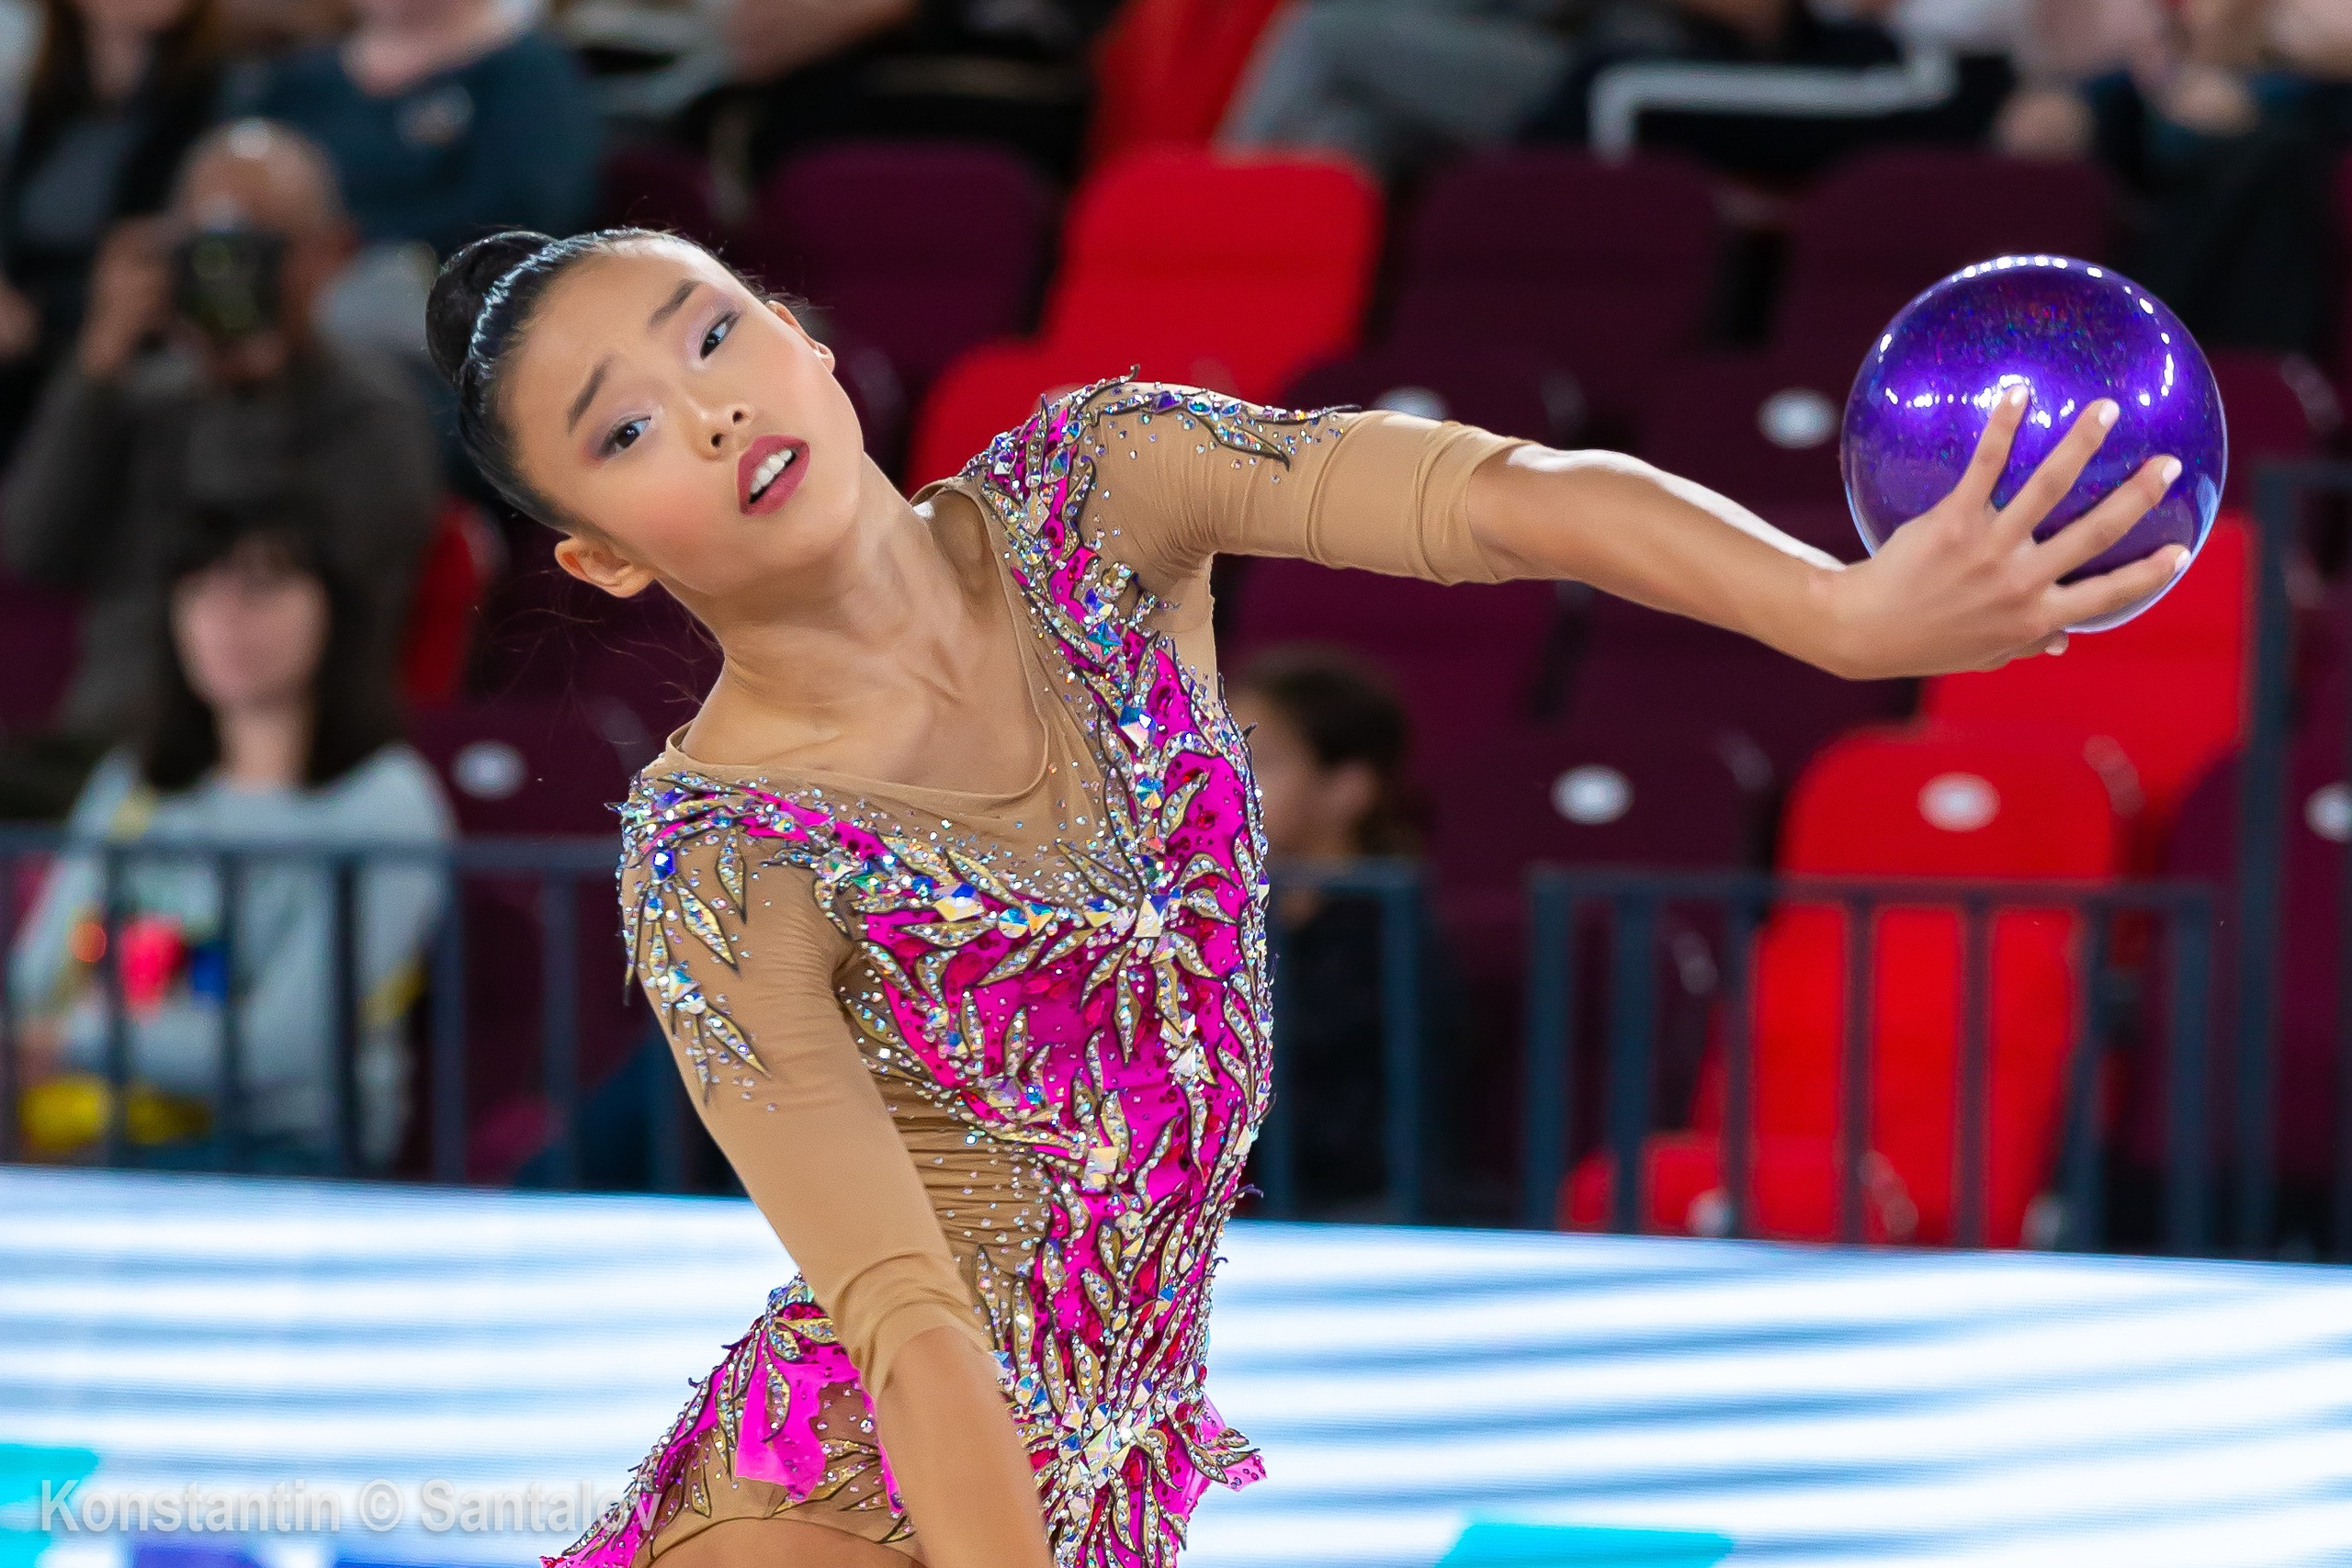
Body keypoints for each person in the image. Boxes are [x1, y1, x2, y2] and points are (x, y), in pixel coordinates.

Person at [422, 221, 2186, 1568]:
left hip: (1103, 1470)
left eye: (715, 330)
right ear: (603, 553)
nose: (715, 401)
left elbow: (1510, 499)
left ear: (801, 338)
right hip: (863, 1509)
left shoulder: (1100, 487)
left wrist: (1840, 615)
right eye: (633, 426)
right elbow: (914, 1331)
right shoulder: (720, 849)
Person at [0, 118, 439, 819]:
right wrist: (99, 360)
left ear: (328, 254)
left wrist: (253, 382)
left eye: (259, 246)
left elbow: (302, 577)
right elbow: (35, 548)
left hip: (268, 765)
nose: (229, 273)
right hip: (104, 750)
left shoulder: (370, 408)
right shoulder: (145, 395)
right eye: (206, 247)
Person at [7, 510, 454, 1174]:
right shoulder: (135, 780)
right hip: (98, 1123)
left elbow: (286, 1045)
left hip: (286, 1148)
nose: (226, 618)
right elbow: (36, 980)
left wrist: (72, 1040)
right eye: (201, 590)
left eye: (262, 588)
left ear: (335, 611)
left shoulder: (387, 801)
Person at [1227, 644, 1469, 1220]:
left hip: (1354, 1224)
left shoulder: (1387, 941)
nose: (1221, 779)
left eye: (1260, 760)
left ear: (1347, 789)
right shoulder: (1218, 923)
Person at [0, 0, 227, 458]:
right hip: (26, 322)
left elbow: (189, 231)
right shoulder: (45, 99)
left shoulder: (220, 89)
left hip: (132, 328)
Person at [245, 0, 599, 259]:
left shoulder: (528, 71)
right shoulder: (298, 82)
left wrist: (356, 248)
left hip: (456, 309)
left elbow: (533, 216)